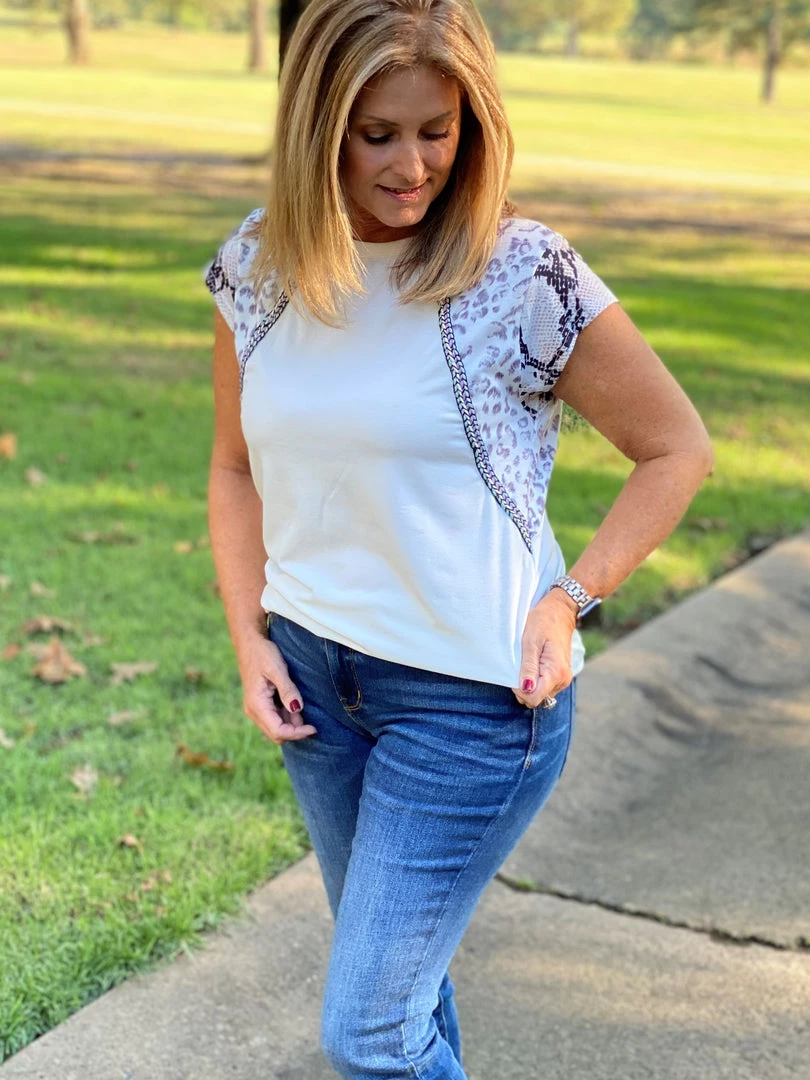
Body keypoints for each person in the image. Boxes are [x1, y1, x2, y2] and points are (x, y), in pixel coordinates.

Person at [204, 1, 713, 1076]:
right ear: (318, 130)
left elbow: (676, 449)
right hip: (315, 689)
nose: (413, 166)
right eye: (376, 134)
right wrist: (250, 638)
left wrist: (568, 598)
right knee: (404, 997)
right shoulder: (255, 264)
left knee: (368, 1031)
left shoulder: (522, 274)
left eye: (438, 131)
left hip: (472, 706)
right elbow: (234, 469)